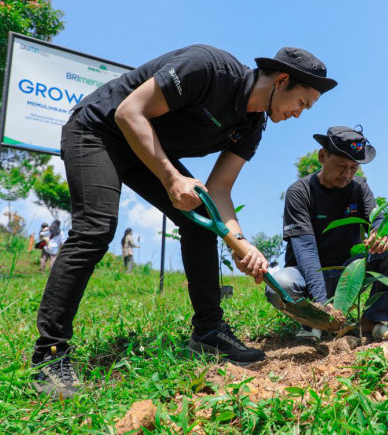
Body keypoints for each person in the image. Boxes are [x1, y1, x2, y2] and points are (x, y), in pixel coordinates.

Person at [31, 45, 337, 398]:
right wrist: (171, 178)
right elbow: (129, 113)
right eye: (302, 103)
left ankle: (209, 334)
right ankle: (49, 355)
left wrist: (242, 245)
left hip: (144, 150)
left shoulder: (251, 127)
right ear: (282, 80)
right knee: (96, 228)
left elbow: (219, 191)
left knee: (200, 220)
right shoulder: (208, 68)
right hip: (99, 129)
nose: (300, 114)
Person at [266, 126, 388, 341]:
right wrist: (322, 303)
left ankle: (373, 321)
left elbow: (377, 216)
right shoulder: (299, 192)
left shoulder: (359, 187)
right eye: (341, 166)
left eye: (354, 167)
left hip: (349, 273)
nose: (347, 174)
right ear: (322, 156)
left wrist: (379, 232)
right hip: (307, 276)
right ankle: (312, 322)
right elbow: (305, 249)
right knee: (280, 285)